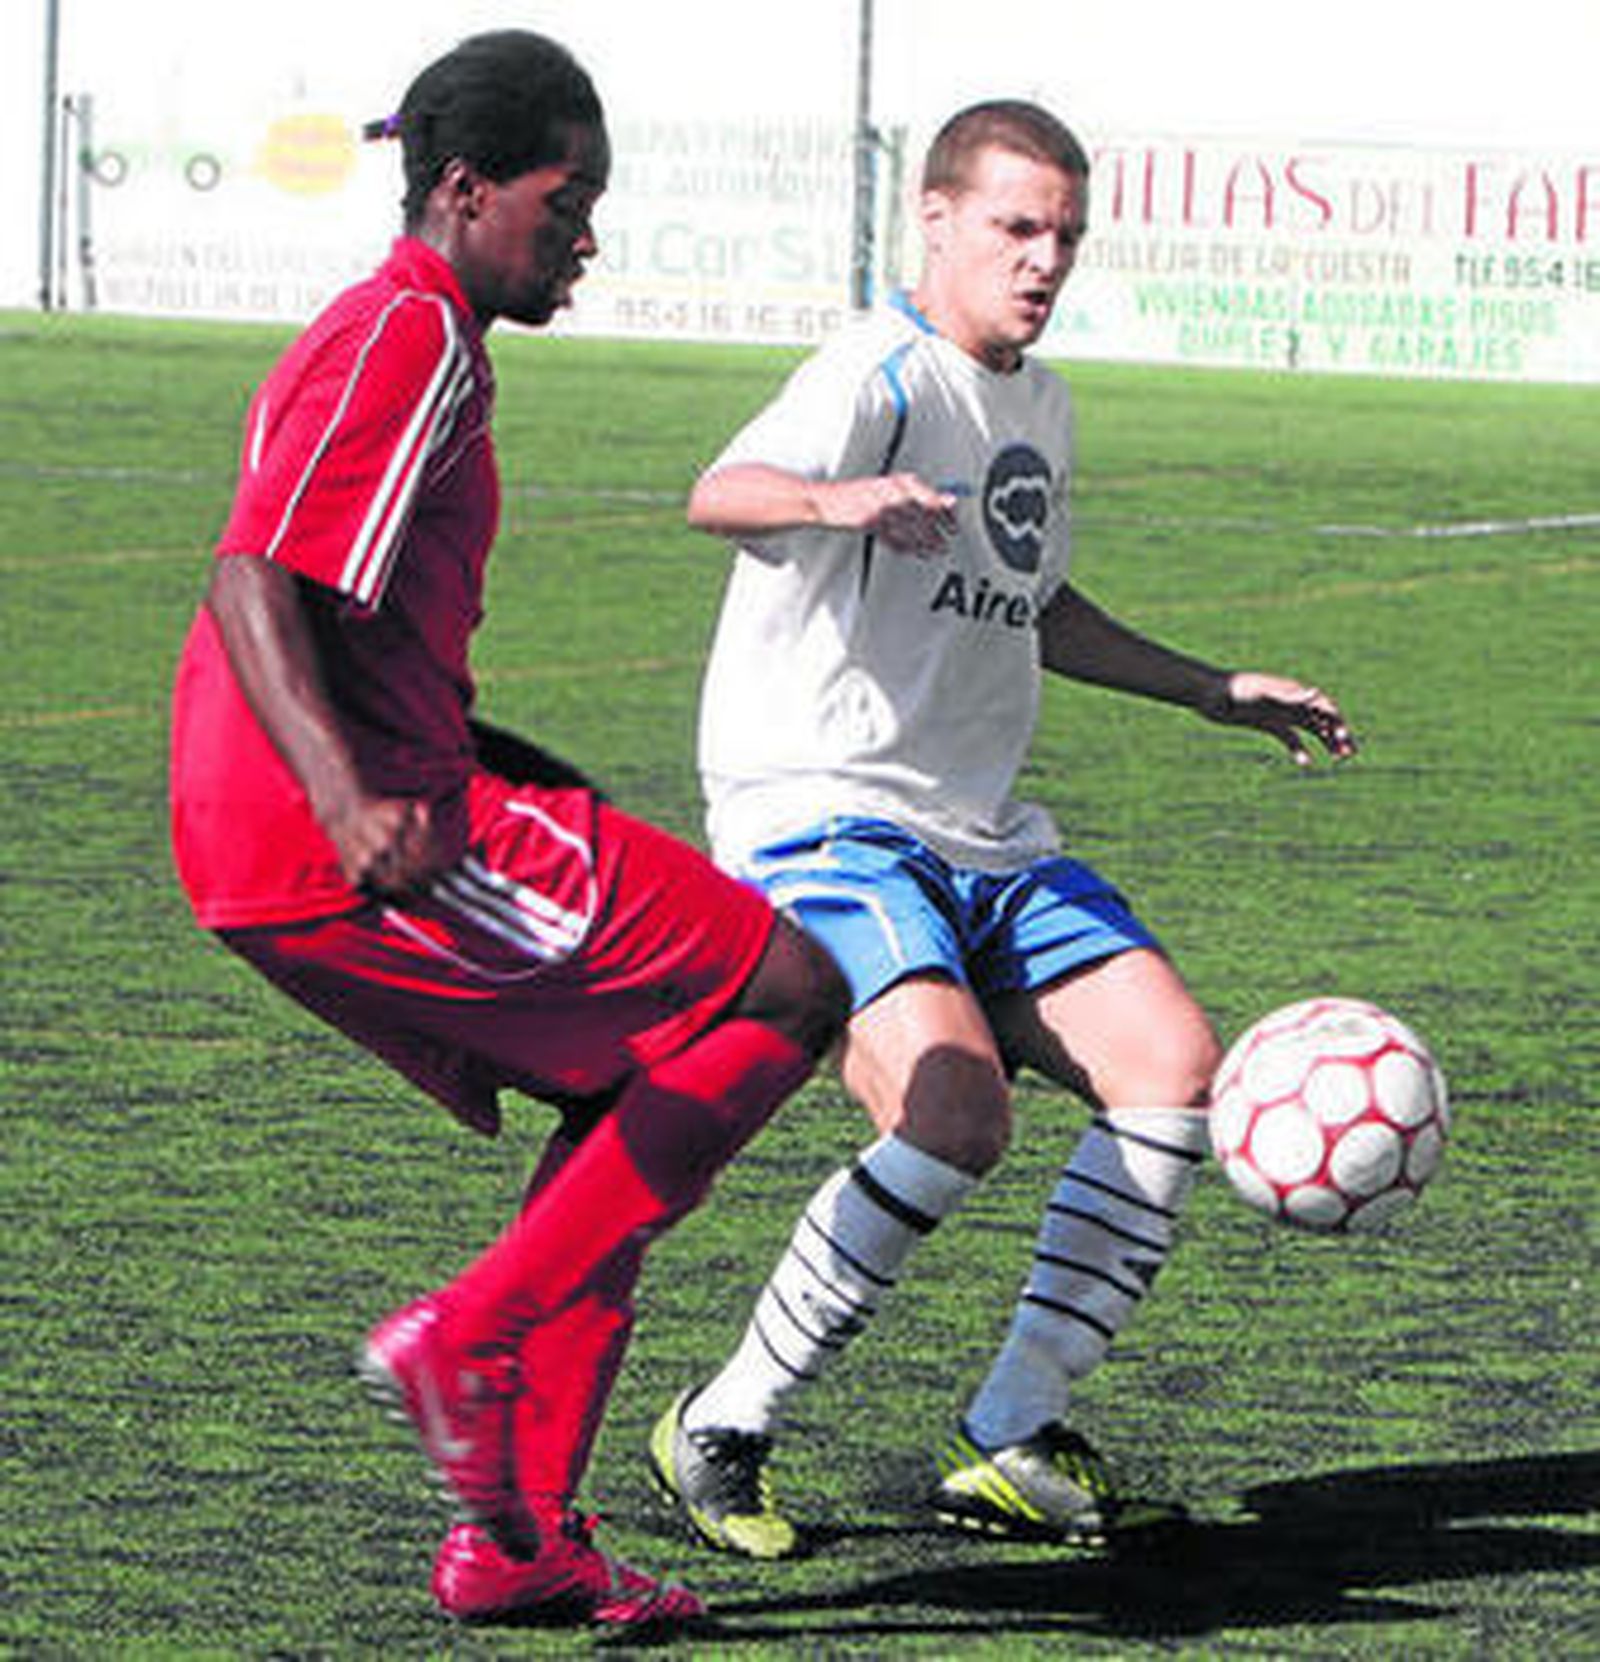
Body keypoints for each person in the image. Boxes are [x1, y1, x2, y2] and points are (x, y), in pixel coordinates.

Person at [168, 30, 846, 1630]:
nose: (587, 236)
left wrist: (517, 767)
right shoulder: (408, 333)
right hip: (329, 823)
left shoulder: (418, 333)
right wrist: (351, 796)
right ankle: (473, 1330)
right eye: (568, 199)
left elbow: (359, 614)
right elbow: (253, 577)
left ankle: (516, 1535)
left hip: (330, 809)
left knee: (635, 1079)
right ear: (465, 191)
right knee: (788, 990)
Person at [647, 98, 1356, 1559]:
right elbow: (721, 492)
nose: (1045, 261)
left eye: (1067, 237)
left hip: (985, 836)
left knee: (1172, 1070)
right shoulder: (876, 367)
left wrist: (1208, 689)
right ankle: (724, 1417)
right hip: (823, 817)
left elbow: (1035, 602)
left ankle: (1010, 1428)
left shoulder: (1040, 402)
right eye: (1018, 228)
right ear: (941, 219)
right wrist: (842, 497)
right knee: (955, 1110)